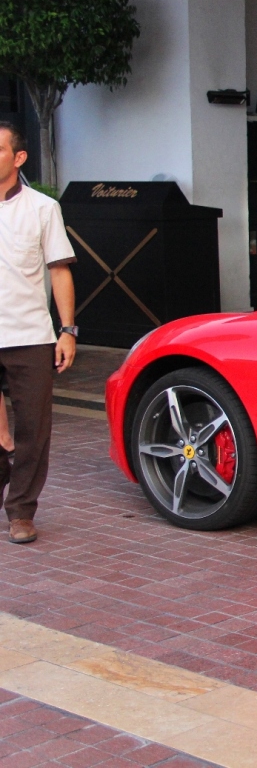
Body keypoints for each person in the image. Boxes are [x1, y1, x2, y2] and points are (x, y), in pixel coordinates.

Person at [0, 122, 76, 543]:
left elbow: (59, 271)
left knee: (34, 427)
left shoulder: (42, 209)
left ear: (18, 157)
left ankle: (21, 510)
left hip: (29, 334)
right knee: (6, 433)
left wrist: (67, 330)